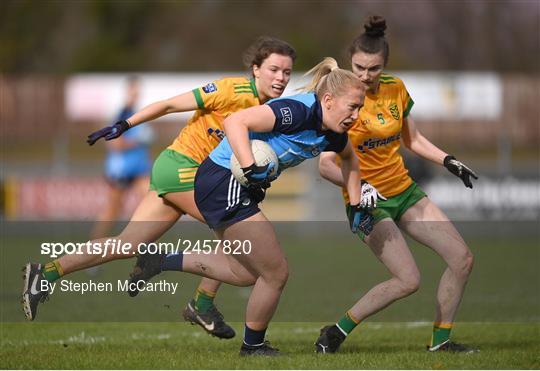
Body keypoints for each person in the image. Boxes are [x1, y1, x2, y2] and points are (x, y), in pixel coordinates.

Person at [21, 37, 297, 341]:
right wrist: (125, 125)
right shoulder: (232, 89)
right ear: (255, 69)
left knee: (126, 245)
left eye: (286, 72)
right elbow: (168, 105)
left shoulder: (269, 110)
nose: (280, 78)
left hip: (191, 177)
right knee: (236, 226)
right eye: (274, 69)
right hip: (181, 168)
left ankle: (45, 273)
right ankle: (200, 303)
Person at [129, 57, 375, 356]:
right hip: (222, 180)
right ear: (328, 99)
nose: (356, 114)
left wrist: (357, 202)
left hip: (234, 185)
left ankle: (160, 261)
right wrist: (249, 167)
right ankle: (253, 346)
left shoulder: (334, 133)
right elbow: (235, 121)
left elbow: (350, 161)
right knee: (276, 273)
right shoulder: (295, 111)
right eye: (353, 106)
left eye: (360, 108)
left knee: (245, 272)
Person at [315, 16, 479, 354]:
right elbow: (325, 165)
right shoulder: (339, 99)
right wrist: (362, 189)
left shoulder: (396, 88)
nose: (365, 75)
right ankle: (336, 331)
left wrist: (448, 160)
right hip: (369, 202)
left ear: (384, 65)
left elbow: (413, 139)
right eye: (359, 67)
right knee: (409, 280)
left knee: (462, 258)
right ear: (350, 62)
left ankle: (440, 341)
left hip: (405, 192)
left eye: (373, 68)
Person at [91, 76, 154, 241]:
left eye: (137, 91)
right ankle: (92, 248)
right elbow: (115, 144)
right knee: (112, 212)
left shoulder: (136, 113)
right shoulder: (123, 113)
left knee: (150, 204)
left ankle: (146, 247)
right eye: (133, 91)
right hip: (121, 170)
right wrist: (139, 140)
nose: (136, 94)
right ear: (127, 92)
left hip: (139, 170)